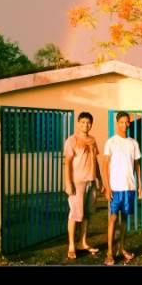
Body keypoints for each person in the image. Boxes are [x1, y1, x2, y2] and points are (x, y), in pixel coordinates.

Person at [103, 111, 142, 265]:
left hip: (129, 187)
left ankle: (122, 248)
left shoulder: (133, 143)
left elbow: (137, 165)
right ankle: (109, 253)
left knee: (124, 219)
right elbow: (105, 165)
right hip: (115, 187)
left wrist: (139, 185)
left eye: (127, 122)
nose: (125, 125)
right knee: (113, 218)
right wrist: (107, 187)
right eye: (122, 122)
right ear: (117, 122)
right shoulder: (111, 142)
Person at [64, 111, 104, 260]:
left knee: (87, 214)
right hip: (77, 182)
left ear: (91, 124)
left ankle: (83, 242)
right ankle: (72, 245)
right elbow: (67, 163)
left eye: (88, 123)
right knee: (75, 214)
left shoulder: (93, 140)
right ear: (78, 123)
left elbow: (96, 162)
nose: (85, 125)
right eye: (82, 122)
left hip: (91, 181)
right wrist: (68, 183)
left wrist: (99, 180)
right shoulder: (71, 140)